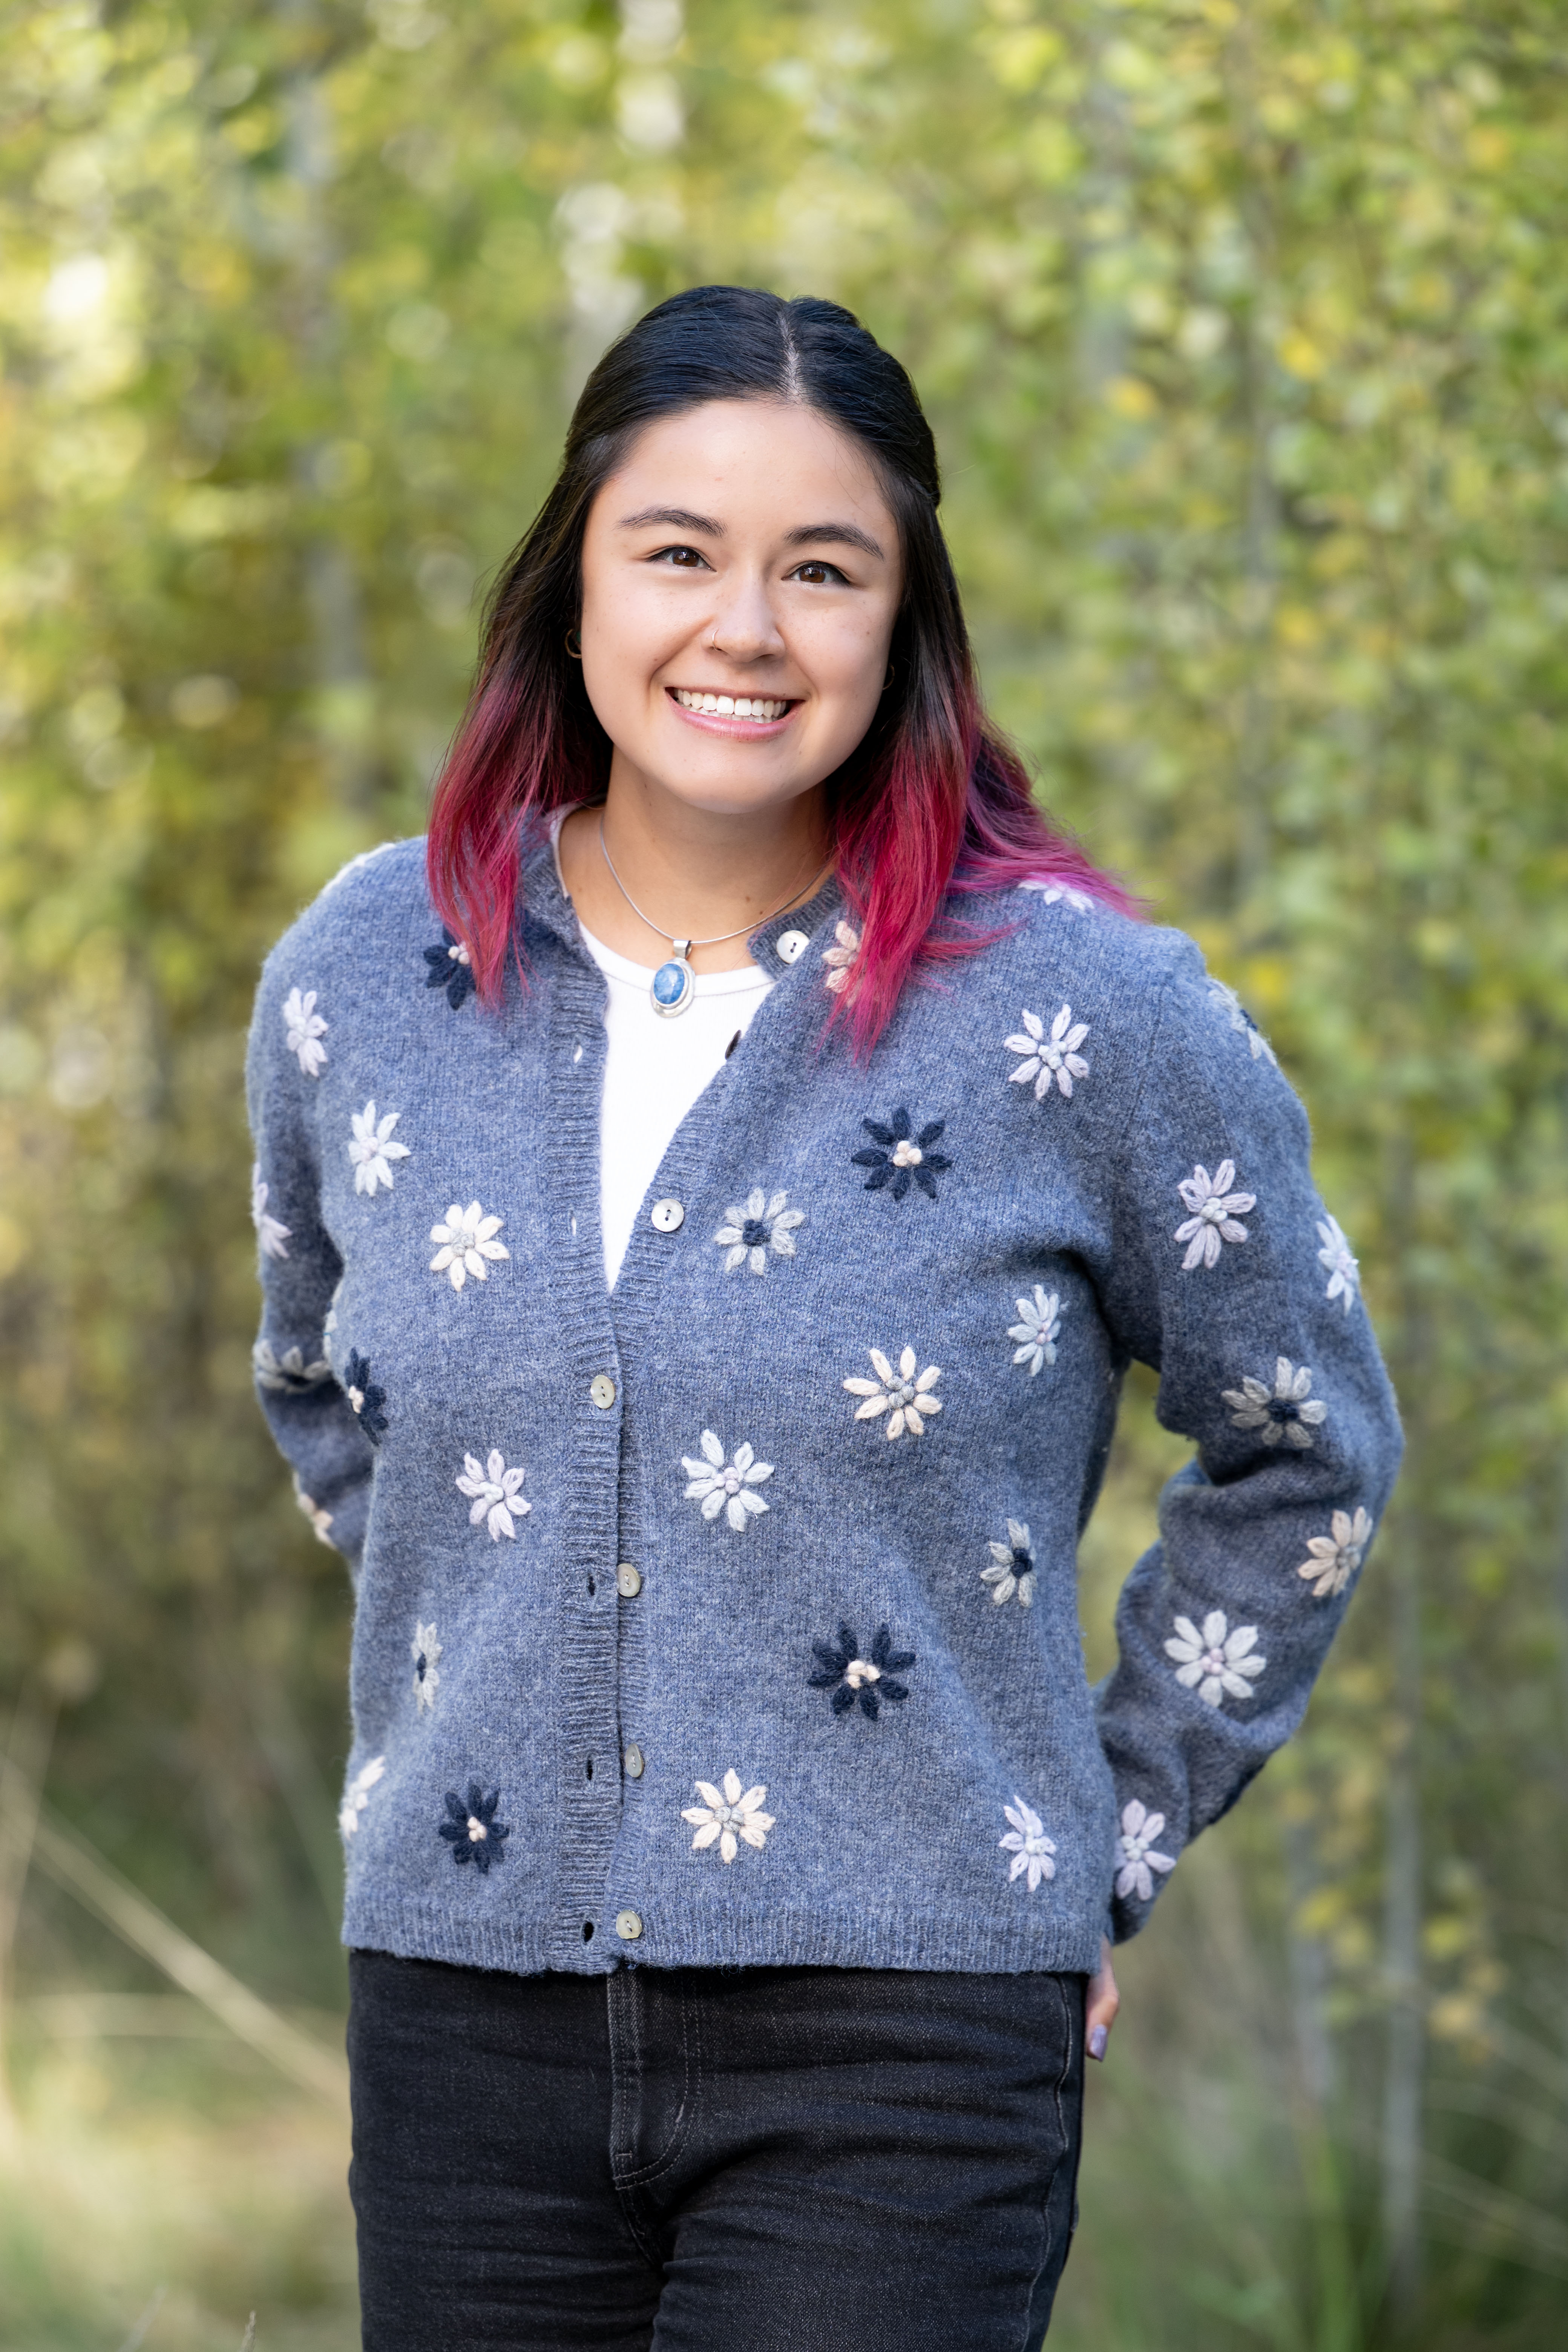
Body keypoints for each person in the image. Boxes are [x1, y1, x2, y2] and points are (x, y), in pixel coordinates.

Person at [246, 285, 1402, 2351]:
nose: (746, 628)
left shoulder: (1086, 1014)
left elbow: (1306, 1441)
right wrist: (532, 1620)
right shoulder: (363, 978)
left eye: (825, 567)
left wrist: (1107, 1823)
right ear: (575, 581)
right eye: (679, 550)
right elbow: (328, 1384)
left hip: (904, 2037)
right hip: (461, 2011)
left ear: (907, 616)